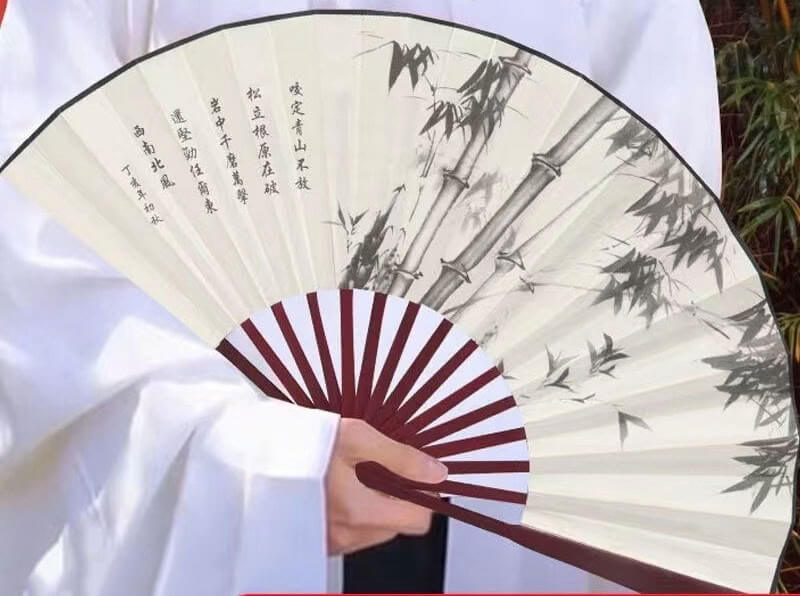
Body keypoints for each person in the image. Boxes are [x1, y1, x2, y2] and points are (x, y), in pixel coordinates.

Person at [0, 1, 721, 593]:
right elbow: (37, 247)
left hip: (508, 509)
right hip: (219, 473)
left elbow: (656, 262)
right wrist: (248, 463)